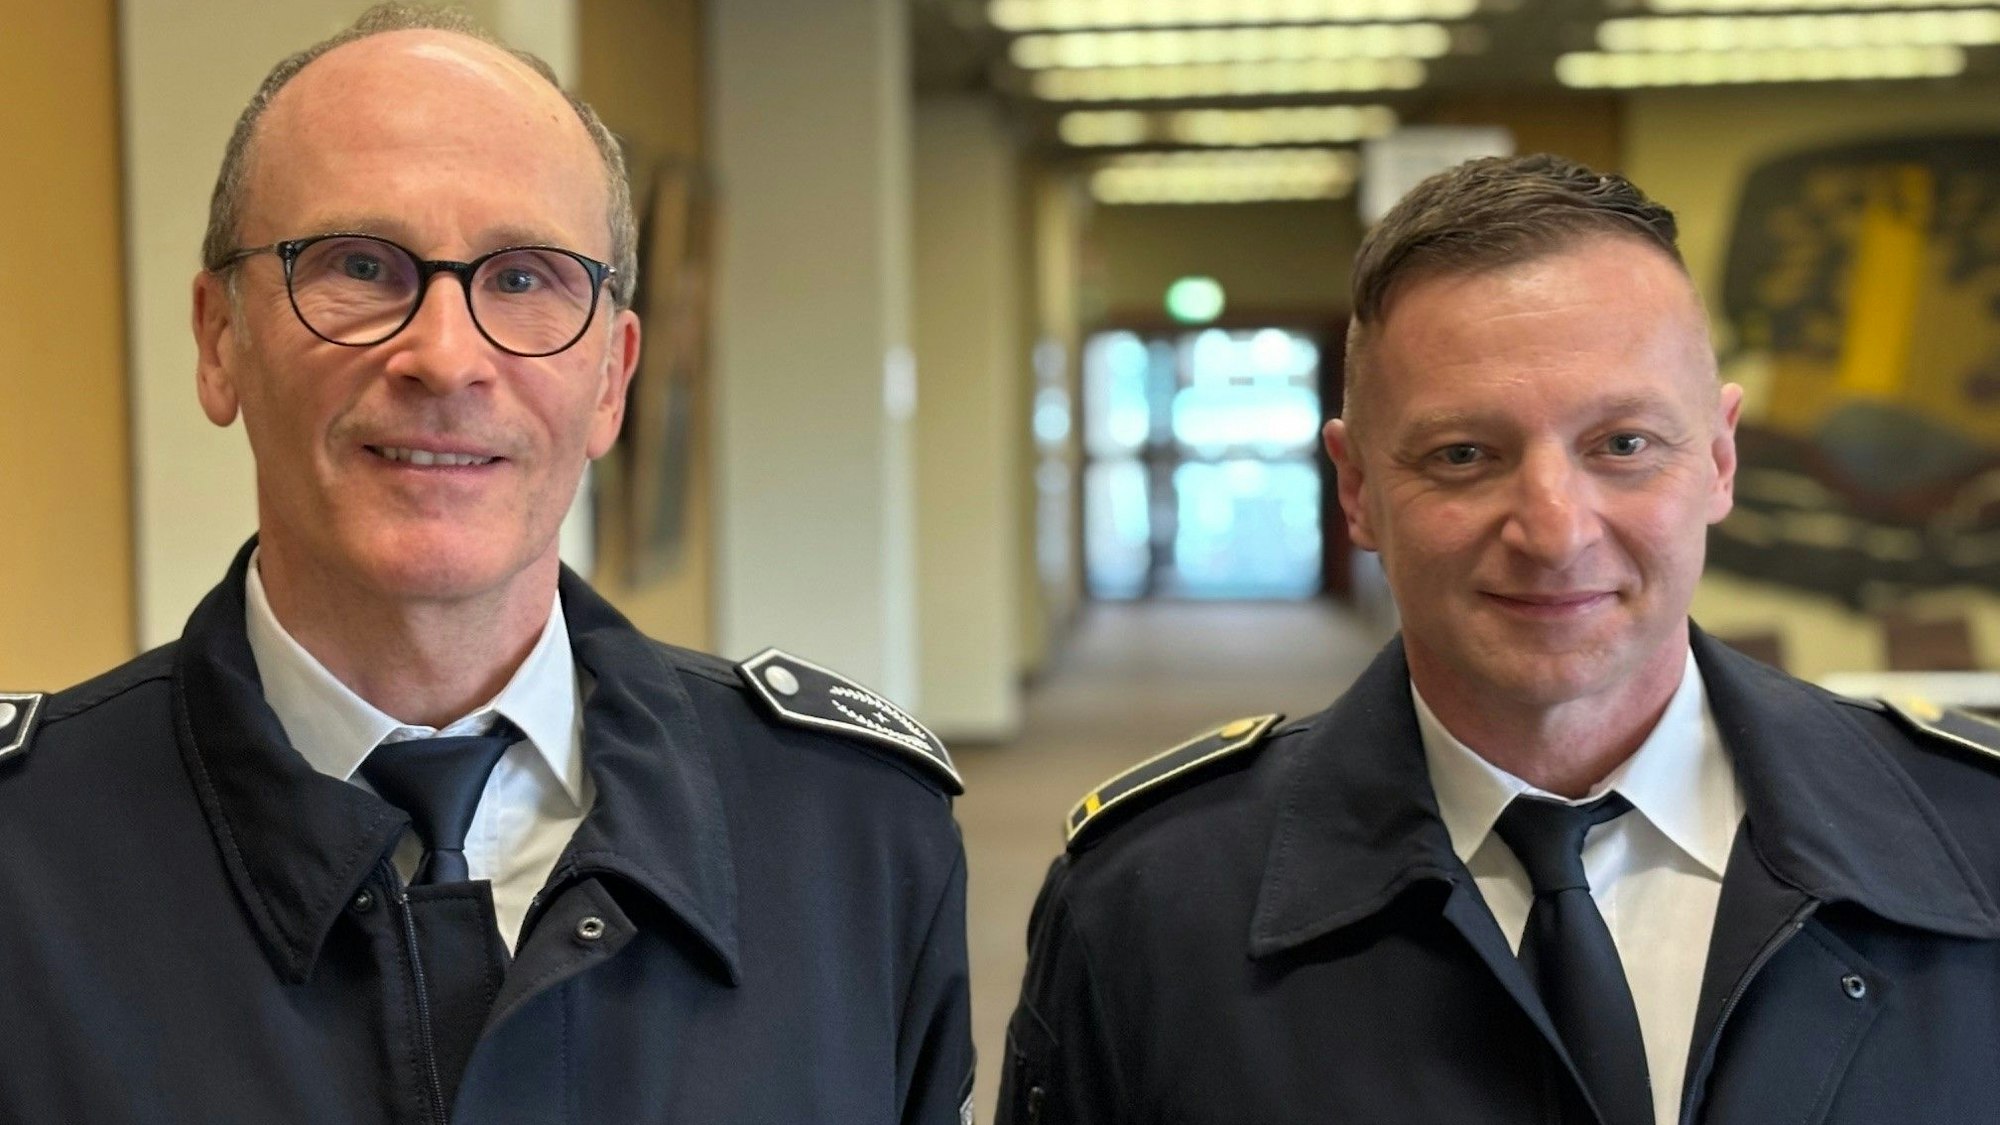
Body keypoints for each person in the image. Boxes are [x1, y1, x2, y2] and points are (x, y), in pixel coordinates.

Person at [0, 6, 972, 1122]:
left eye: (523, 280)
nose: (446, 357)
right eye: (359, 265)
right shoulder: (24, 858)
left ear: (611, 376)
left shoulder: (854, 841)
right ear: (220, 340)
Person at [997, 154, 2000, 1125]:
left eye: (1622, 445)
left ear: (1719, 458)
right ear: (1356, 489)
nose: (1553, 531)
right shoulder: (1146, 903)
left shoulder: (1973, 838)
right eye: (1463, 454)